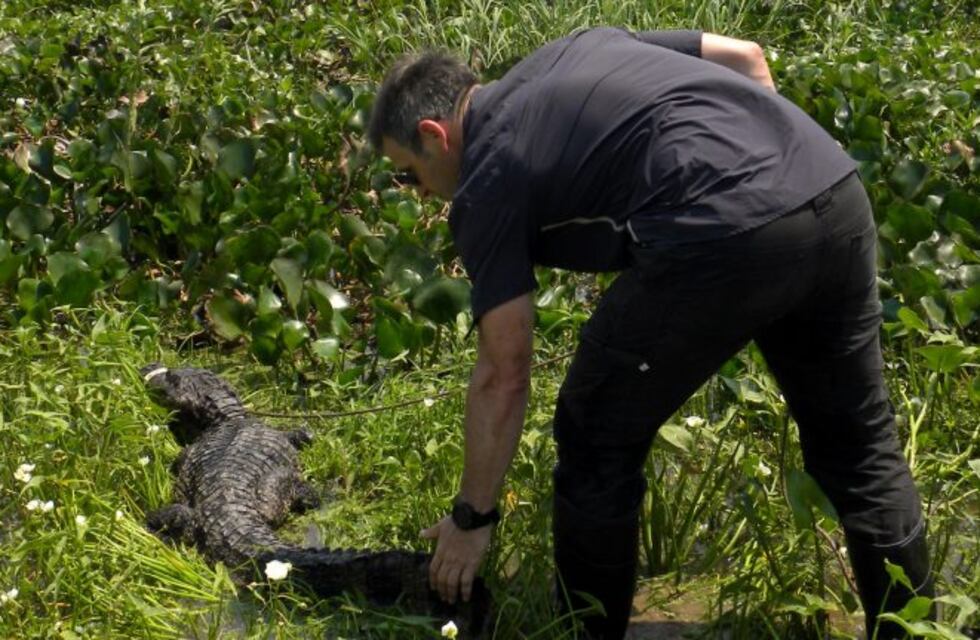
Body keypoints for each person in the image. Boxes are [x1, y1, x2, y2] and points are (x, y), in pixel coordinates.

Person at [367, 28, 934, 639]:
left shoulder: (484, 180)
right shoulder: (580, 45)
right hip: (830, 184)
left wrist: (472, 519)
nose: (420, 194)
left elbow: (504, 372)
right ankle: (916, 635)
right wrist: (775, 184)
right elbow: (746, 56)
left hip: (721, 231)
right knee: (859, 452)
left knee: (593, 431)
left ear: (435, 135)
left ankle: (589, 634)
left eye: (408, 176)